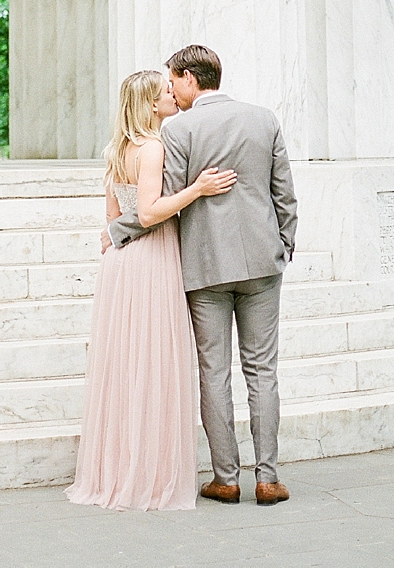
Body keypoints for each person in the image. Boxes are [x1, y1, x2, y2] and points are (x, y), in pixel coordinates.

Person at [106, 44, 300, 506]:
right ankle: (269, 478)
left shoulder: (178, 130)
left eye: (173, 80)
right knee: (263, 371)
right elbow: (284, 194)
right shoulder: (264, 119)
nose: (170, 89)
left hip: (206, 268)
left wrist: (118, 228)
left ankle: (226, 479)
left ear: (191, 78)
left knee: (214, 373)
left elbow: (160, 205)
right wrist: (283, 247)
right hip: (262, 264)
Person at [67, 70, 235, 511]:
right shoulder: (154, 147)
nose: (172, 95)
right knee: (154, 364)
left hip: (120, 264)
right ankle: (149, 476)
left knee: (125, 367)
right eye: (164, 92)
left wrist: (113, 236)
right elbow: (147, 212)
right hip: (152, 257)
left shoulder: (117, 149)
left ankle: (119, 472)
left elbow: (112, 217)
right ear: (149, 104)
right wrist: (198, 189)